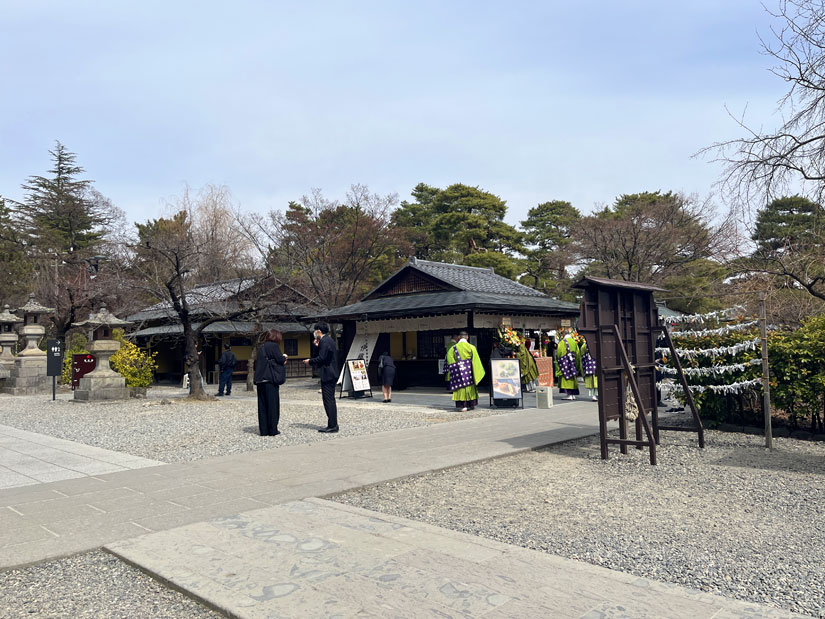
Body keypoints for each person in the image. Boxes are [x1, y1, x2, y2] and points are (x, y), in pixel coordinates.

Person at [303, 322, 339, 432]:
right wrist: (317, 345)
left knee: (328, 400)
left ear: (319, 331)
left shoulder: (324, 341)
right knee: (330, 399)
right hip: (331, 372)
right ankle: (332, 424)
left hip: (328, 373)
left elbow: (321, 358)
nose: (314, 333)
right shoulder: (329, 340)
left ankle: (333, 425)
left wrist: (310, 361)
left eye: (315, 331)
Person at [253, 330, 288, 436]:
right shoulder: (273, 346)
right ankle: (273, 429)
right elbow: (280, 359)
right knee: (272, 405)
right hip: (270, 379)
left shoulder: (261, 347)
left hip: (260, 379)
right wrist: (285, 357)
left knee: (262, 405)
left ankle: (263, 430)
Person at [446, 330, 485, 412]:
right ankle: (471, 405)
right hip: (469, 371)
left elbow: (449, 358)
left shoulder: (453, 348)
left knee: (460, 387)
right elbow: (476, 360)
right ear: (467, 337)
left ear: (459, 337)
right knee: (470, 387)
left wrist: (455, 367)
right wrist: (476, 371)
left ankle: (462, 406)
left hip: (459, 371)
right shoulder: (471, 347)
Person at [555, 332, 581, 400]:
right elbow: (578, 354)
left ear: (563, 335)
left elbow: (558, 354)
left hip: (564, 364)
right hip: (573, 363)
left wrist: (558, 366)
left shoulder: (561, 343)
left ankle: (569, 394)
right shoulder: (574, 342)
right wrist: (577, 366)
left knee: (566, 379)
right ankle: (573, 394)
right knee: (572, 378)